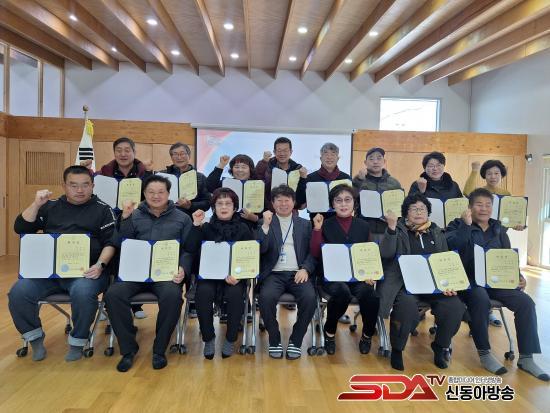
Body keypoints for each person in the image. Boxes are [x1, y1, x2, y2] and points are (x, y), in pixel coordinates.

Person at [8, 165, 116, 362]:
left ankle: (77, 342)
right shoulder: (50, 206)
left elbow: (111, 243)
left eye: (85, 185)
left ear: (93, 185)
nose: (80, 190)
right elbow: (21, 227)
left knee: (83, 292)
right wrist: (36, 204)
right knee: (19, 291)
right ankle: (35, 338)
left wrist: (100, 265)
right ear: (64, 186)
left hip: (87, 272)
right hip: (48, 273)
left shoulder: (103, 210)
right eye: (73, 185)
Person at [446, 188, 549, 381]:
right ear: (470, 207)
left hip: (496, 281)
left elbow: (506, 256)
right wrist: (466, 226)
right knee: (480, 299)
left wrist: (518, 276)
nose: (484, 208)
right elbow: (453, 246)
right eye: (479, 204)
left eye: (488, 205)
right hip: (469, 282)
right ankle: (485, 353)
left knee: (526, 302)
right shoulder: (457, 225)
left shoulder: (499, 229)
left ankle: (526, 358)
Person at [105, 175, 191, 372]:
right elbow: (119, 243)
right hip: (135, 273)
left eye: (161, 192)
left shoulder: (182, 218)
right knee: (113, 295)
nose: (156, 196)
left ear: (168, 194)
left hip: (165, 275)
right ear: (144, 193)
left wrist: (183, 268)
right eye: (151, 192)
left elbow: (188, 250)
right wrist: (125, 218)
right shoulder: (133, 215)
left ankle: (159, 349)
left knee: (172, 296)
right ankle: (128, 349)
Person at [378, 193, 465, 371]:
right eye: (414, 209)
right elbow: (385, 253)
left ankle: (440, 346)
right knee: (406, 307)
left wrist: (449, 284)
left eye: (422, 209)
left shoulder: (436, 231)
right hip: (406, 285)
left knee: (455, 306)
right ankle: (397, 349)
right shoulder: (398, 229)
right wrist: (391, 228)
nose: (418, 212)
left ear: (428, 212)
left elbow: (445, 260)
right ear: (406, 213)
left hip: (435, 285)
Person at [309, 185, 379, 355]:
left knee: (371, 295)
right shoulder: (325, 224)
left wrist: (370, 273)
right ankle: (330, 331)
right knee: (342, 292)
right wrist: (317, 229)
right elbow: (316, 253)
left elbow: (369, 252)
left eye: (347, 200)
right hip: (332, 277)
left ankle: (367, 335)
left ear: (354, 203)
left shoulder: (363, 225)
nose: (343, 204)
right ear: (332, 204)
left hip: (358, 276)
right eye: (338, 200)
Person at [187, 188, 255, 359]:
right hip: (209, 276)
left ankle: (230, 339)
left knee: (235, 294)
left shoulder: (244, 228)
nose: (224, 207)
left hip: (234, 277)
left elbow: (250, 257)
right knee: (203, 292)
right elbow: (190, 248)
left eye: (228, 203)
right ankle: (208, 338)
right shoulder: (205, 227)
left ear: (234, 207)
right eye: (219, 204)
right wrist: (195, 225)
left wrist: (239, 276)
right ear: (214, 207)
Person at [93, 136, 153, 319]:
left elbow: (153, 196)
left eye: (127, 150)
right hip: (109, 220)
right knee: (110, 258)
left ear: (134, 152)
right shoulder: (102, 174)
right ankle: (107, 303)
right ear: (114, 153)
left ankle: (135, 305)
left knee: (133, 258)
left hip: (136, 221)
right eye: (119, 150)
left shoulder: (145, 173)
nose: (123, 154)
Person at [257, 185, 317, 359]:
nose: (283, 204)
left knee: (309, 298)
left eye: (287, 200)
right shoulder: (265, 223)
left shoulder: (305, 224)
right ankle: (274, 339)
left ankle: (296, 340)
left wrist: (305, 269)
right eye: (279, 200)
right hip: (274, 274)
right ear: (272, 203)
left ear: (294, 202)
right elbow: (260, 250)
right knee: (266, 298)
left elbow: (313, 253)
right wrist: (265, 226)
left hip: (298, 273)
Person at [463, 160, 519, 327]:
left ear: (501, 176)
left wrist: (517, 223)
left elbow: (508, 217)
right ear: (484, 176)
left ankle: (486, 313)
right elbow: (467, 192)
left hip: (497, 233)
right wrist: (474, 170)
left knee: (495, 268)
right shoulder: (480, 192)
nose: (493, 176)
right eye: (489, 173)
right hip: (478, 231)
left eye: (496, 173)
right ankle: (479, 315)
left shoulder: (506, 193)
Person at [352, 147, 402, 242]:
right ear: (365, 162)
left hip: (387, 229)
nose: (375, 162)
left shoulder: (394, 183)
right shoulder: (359, 180)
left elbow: (400, 207)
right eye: (371, 159)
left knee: (387, 251)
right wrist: (359, 180)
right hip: (364, 229)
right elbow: (351, 198)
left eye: (379, 158)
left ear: (384, 161)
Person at [206, 153, 262, 226]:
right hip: (223, 226)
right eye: (236, 167)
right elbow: (209, 186)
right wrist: (221, 165)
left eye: (244, 167)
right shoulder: (226, 183)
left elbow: (266, 211)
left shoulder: (258, 186)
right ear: (232, 169)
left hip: (250, 228)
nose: (240, 170)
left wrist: (254, 218)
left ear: (250, 169)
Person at [157, 142, 211, 216]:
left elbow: (207, 203)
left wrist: (190, 205)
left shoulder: (200, 177)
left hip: (187, 217)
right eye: (175, 154)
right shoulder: (162, 175)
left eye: (182, 154)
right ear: (171, 157)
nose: (179, 157)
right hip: (163, 216)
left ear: (189, 155)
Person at [255, 137, 308, 208]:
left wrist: (303, 179)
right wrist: (264, 162)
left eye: (285, 150)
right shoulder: (267, 165)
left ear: (291, 152)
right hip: (268, 210)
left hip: (290, 211)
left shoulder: (297, 169)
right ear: (274, 152)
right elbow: (257, 182)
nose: (282, 153)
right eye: (279, 150)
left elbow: (301, 198)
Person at [306, 142, 352, 222]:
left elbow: (350, 201)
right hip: (317, 222)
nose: (329, 157)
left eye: (333, 154)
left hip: (341, 222)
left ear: (338, 158)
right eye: (326, 154)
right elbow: (303, 203)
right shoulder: (310, 178)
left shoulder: (346, 178)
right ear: (321, 158)